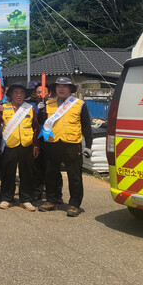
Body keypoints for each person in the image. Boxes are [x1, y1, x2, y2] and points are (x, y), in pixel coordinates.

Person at [37, 77, 93, 217]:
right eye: (58, 86)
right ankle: (52, 200)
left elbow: (86, 126)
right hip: (52, 143)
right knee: (51, 174)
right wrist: (40, 111)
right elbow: (43, 122)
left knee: (74, 176)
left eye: (64, 86)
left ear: (70, 89)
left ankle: (74, 204)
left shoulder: (79, 104)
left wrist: (88, 146)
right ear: (55, 89)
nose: (61, 89)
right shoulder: (48, 104)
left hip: (72, 144)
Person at [0, 82, 40, 211]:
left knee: (27, 173)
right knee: (8, 172)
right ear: (11, 95)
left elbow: (35, 127)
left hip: (26, 144)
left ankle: (26, 200)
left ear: (25, 95)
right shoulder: (4, 107)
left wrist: (36, 145)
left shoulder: (29, 108)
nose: (19, 95)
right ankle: (6, 198)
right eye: (16, 93)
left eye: (22, 93)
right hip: (10, 145)